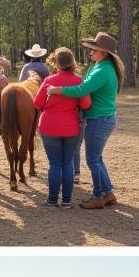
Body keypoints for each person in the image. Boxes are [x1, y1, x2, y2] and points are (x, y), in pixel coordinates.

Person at [47, 32, 122, 209]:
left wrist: (59, 90)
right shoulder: (101, 66)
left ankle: (98, 196)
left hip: (99, 119)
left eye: (93, 49)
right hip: (101, 118)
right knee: (97, 158)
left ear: (103, 52)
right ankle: (108, 192)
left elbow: (82, 90)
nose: (90, 52)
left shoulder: (103, 70)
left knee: (93, 160)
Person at [33, 47, 92, 208]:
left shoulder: (49, 81)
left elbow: (37, 104)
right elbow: (86, 104)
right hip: (71, 128)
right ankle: (66, 201)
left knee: (54, 164)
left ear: (56, 63)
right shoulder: (79, 81)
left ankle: (52, 200)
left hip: (49, 126)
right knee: (68, 164)